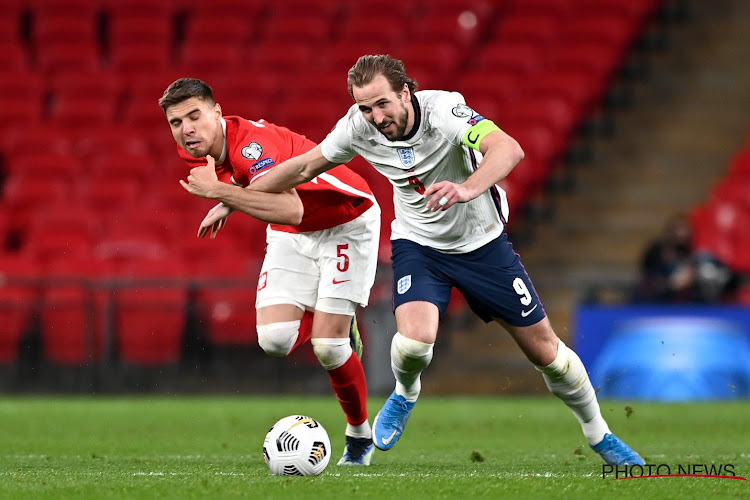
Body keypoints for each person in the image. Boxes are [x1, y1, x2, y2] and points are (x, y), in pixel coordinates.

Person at [233, 55, 644, 465]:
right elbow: (304, 166)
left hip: (483, 246)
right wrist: (234, 199)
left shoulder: (444, 110)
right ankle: (406, 393)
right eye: (365, 108)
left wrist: (467, 188)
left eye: (382, 104)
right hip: (419, 245)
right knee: (414, 342)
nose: (375, 116)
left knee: (547, 354)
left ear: (405, 93)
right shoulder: (356, 127)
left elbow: (508, 148)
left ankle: (598, 434)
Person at [160, 78, 380, 466]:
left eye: (195, 116)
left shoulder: (250, 144)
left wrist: (222, 196)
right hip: (292, 232)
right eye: (176, 122)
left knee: (329, 348)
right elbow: (267, 196)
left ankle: (359, 435)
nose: (186, 129)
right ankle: (331, 314)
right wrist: (229, 200)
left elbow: (291, 206)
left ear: (217, 112)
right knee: (275, 340)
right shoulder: (196, 151)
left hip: (346, 220)